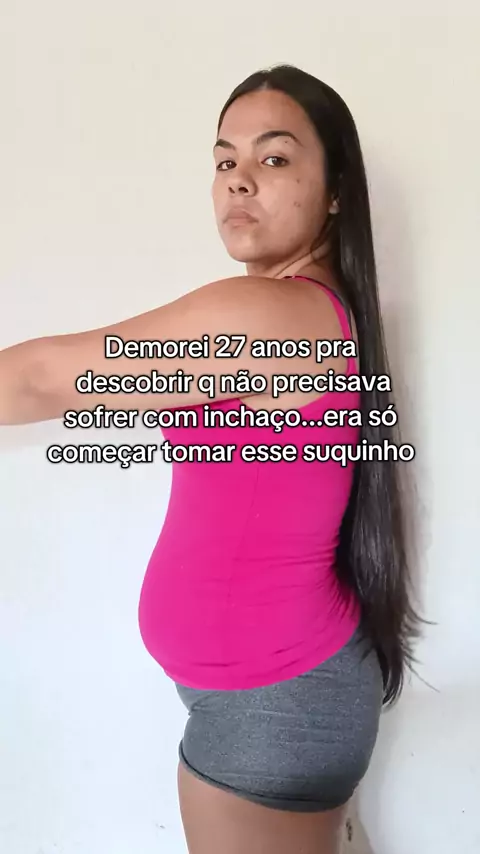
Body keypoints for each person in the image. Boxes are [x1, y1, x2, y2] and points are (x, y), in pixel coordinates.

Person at [0, 64, 423, 853]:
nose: (238, 180)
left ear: (336, 189)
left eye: (274, 157)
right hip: (270, 696)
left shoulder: (271, 316)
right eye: (225, 160)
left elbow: (38, 379)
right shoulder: (303, 310)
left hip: (274, 706)